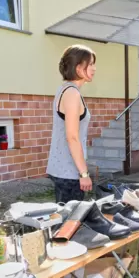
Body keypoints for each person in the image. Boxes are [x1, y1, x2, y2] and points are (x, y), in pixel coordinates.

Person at [47, 45, 96, 203]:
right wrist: (84, 174)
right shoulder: (72, 94)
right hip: (68, 172)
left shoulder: (66, 90)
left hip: (63, 170)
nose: (94, 69)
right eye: (91, 64)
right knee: (71, 223)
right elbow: (72, 137)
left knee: (66, 221)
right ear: (79, 68)